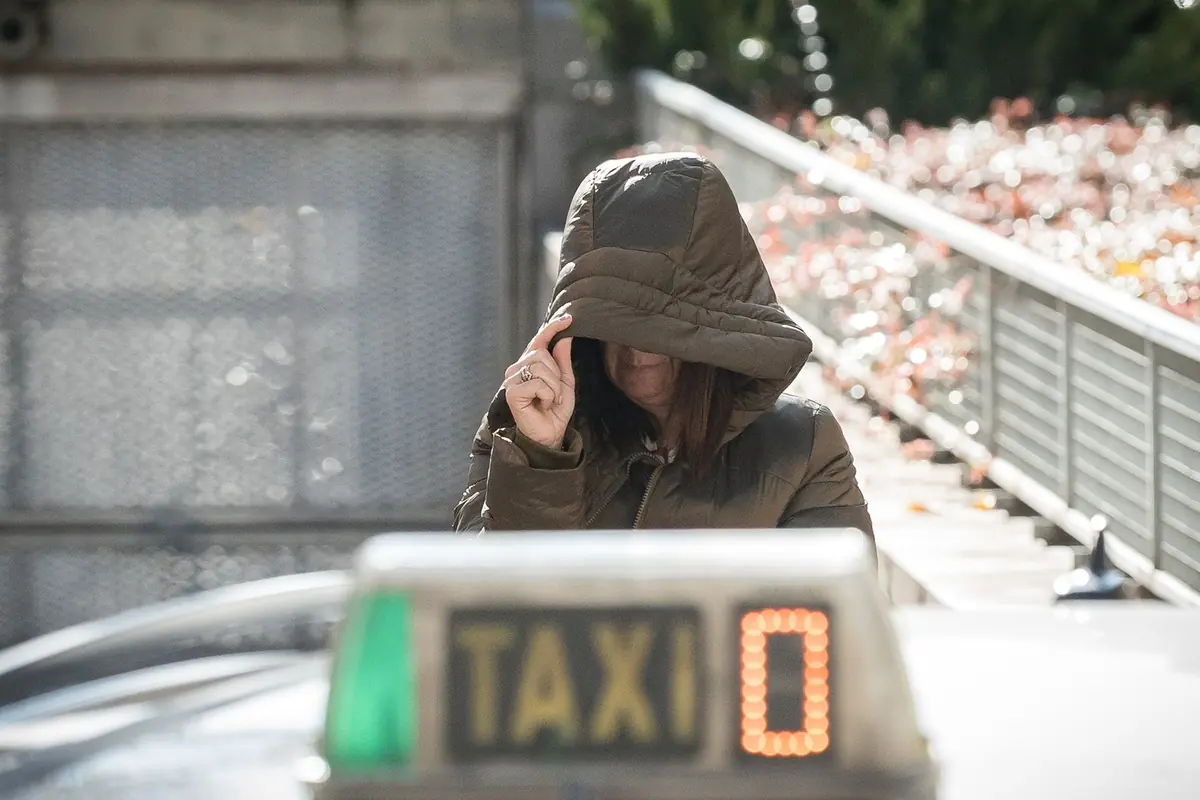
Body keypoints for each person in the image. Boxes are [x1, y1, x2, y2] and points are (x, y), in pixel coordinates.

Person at [454, 151, 873, 543]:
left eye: (664, 326)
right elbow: (482, 600)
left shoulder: (801, 444)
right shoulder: (520, 432)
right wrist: (542, 458)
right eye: (615, 320)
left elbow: (838, 611)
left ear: (713, 324)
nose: (638, 348)